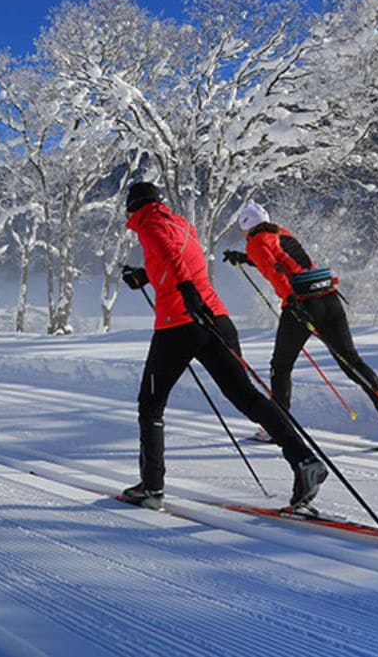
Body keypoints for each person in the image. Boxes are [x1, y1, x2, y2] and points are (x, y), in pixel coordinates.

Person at [119, 181, 327, 511]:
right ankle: (304, 461)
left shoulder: (149, 222)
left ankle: (151, 487)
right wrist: (146, 276)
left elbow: (172, 257)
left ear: (133, 206)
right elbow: (179, 258)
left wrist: (186, 290)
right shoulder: (181, 224)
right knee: (246, 395)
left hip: (180, 322)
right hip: (216, 317)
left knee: (151, 403)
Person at [223, 201, 378, 449]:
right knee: (351, 361)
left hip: (302, 304)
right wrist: (246, 259)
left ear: (247, 225)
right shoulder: (281, 232)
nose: (241, 233)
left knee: (281, 366)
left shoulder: (255, 242)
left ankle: (277, 426)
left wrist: (291, 301)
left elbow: (276, 273)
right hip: (329, 298)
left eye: (241, 228)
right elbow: (285, 262)